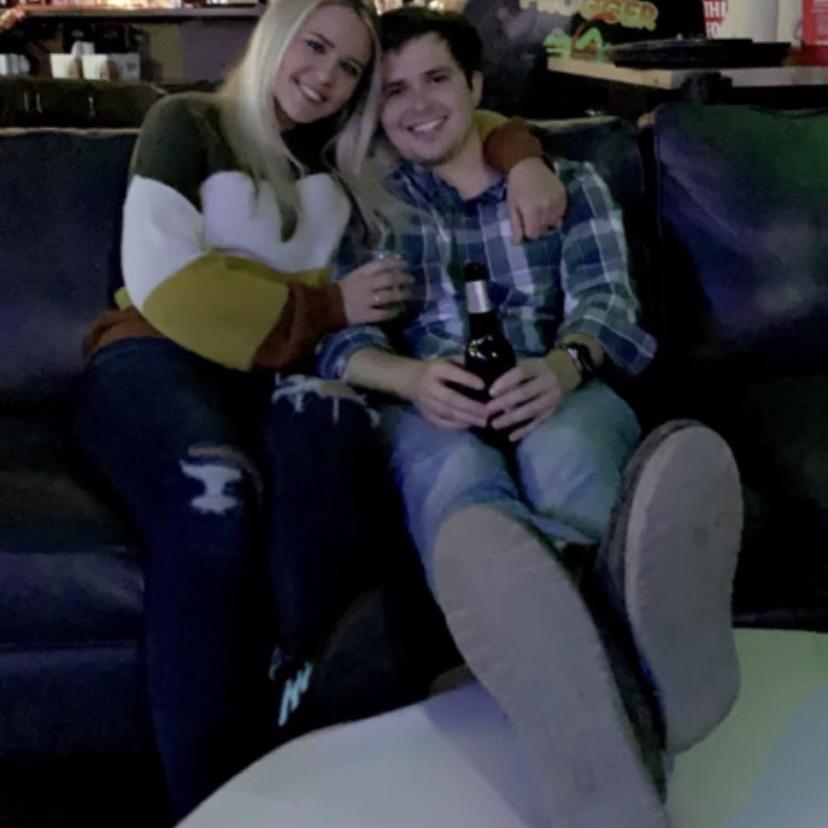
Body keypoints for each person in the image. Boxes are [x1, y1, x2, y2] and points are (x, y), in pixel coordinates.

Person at [72, 0, 567, 819]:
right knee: (216, 498)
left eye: (350, 68)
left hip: (281, 378)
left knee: (334, 435)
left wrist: (524, 159)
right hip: (154, 353)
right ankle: (210, 806)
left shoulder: (348, 153)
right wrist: (329, 307)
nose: (326, 76)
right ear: (276, 35)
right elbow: (167, 283)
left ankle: (305, 715)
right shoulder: (187, 123)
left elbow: (454, 120)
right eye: (314, 46)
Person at [318, 7, 743, 827]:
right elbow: (340, 345)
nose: (417, 105)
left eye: (436, 79)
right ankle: (649, 677)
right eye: (394, 91)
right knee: (463, 495)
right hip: (433, 403)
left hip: (557, 383)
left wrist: (561, 366)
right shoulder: (370, 208)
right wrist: (413, 378)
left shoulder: (568, 184)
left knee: (567, 457)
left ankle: (588, 692)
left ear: (476, 85)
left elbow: (610, 306)